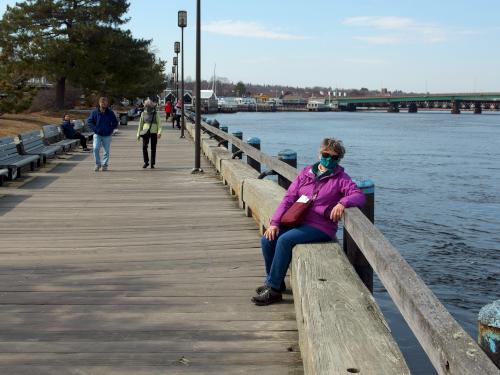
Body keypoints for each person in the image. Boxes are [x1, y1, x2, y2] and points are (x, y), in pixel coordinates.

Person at [251, 138, 366, 306]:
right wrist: (275, 222)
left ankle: (273, 290)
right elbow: (289, 198)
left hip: (320, 226)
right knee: (268, 238)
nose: (329, 159)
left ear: (339, 159)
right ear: (320, 153)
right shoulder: (306, 173)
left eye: (334, 157)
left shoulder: (341, 178)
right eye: (326, 155)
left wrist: (343, 203)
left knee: (285, 240)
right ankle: (275, 282)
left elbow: (359, 196)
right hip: (299, 221)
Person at [86, 96, 118, 172]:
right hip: (97, 134)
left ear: (107, 103)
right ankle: (97, 164)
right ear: (99, 103)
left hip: (107, 135)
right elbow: (89, 122)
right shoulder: (94, 112)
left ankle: (104, 165)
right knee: (95, 148)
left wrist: (110, 129)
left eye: (105, 102)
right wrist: (96, 129)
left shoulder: (110, 112)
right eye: (102, 102)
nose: (104, 104)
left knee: (106, 151)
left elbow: (115, 122)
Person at [137, 99, 162, 169]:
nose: (147, 107)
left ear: (151, 106)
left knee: (153, 148)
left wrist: (159, 133)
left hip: (154, 132)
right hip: (145, 132)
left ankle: (152, 163)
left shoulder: (155, 114)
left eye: (149, 106)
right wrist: (138, 134)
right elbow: (140, 124)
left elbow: (159, 124)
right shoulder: (143, 114)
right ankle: (146, 162)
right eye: (146, 106)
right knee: (144, 147)